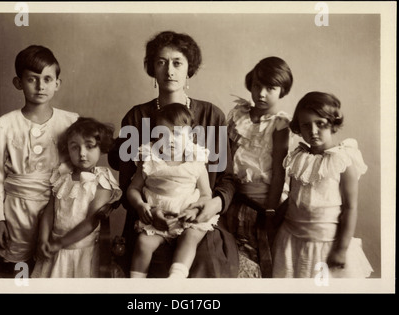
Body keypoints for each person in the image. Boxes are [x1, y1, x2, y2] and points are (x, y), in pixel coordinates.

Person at [108, 30, 239, 278]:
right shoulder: (137, 118)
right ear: (153, 70)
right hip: (149, 219)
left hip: (198, 217)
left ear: (189, 69)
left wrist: (213, 204)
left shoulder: (212, 116)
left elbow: (228, 179)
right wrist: (148, 211)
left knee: (206, 259)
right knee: (149, 256)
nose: (169, 71)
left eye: (177, 63)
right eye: (161, 62)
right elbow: (128, 184)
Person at [0, 45, 79, 270]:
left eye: (47, 79)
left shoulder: (71, 122)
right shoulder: (6, 124)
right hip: (17, 207)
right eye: (32, 79)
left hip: (59, 205)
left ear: (57, 83)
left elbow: (82, 166)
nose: (40, 86)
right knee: (19, 263)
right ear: (18, 83)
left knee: (54, 263)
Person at [272, 92, 373, 278]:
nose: (313, 131)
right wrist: (272, 224)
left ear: (333, 124)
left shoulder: (343, 160)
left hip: (326, 243)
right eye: (305, 125)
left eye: (320, 124)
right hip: (291, 239)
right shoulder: (298, 159)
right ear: (298, 128)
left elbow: (350, 208)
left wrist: (341, 249)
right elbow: (292, 198)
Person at [128, 103, 218, 278]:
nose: (169, 140)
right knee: (143, 243)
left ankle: (176, 278)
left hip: (187, 216)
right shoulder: (149, 157)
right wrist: (140, 205)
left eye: (177, 134)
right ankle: (135, 284)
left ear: (190, 136)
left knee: (191, 236)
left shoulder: (195, 158)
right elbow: (133, 188)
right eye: (162, 134)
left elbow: (206, 194)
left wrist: (195, 209)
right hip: (157, 218)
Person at [226, 56, 293, 277]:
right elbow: (228, 156)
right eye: (257, 86)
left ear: (282, 90)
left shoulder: (280, 125)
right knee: (234, 253)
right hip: (236, 197)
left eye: (270, 88)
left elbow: (279, 171)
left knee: (261, 253)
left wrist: (271, 209)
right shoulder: (238, 116)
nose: (262, 93)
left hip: (264, 202)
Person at [31, 117, 122, 278]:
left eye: (89, 147)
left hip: (82, 252)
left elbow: (91, 222)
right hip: (54, 247)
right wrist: (43, 239)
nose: (82, 154)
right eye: (75, 147)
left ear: (101, 148)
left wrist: (60, 243)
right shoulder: (62, 177)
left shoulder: (101, 180)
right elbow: (49, 212)